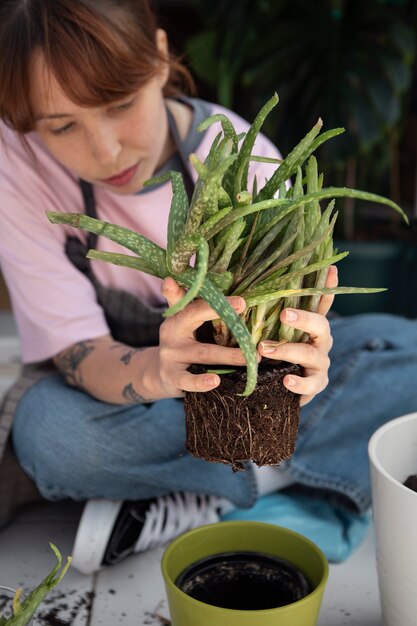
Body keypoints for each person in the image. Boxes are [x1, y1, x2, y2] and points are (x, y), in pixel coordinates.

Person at [0, 0, 341, 575]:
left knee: (400, 352)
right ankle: (274, 472)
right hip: (120, 381)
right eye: (62, 126)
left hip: (246, 385)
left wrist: (305, 349)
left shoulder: (243, 160)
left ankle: (184, 491)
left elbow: (290, 334)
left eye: (119, 104)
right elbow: (76, 350)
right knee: (55, 436)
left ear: (159, 58)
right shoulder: (16, 162)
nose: (105, 152)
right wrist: (160, 372)